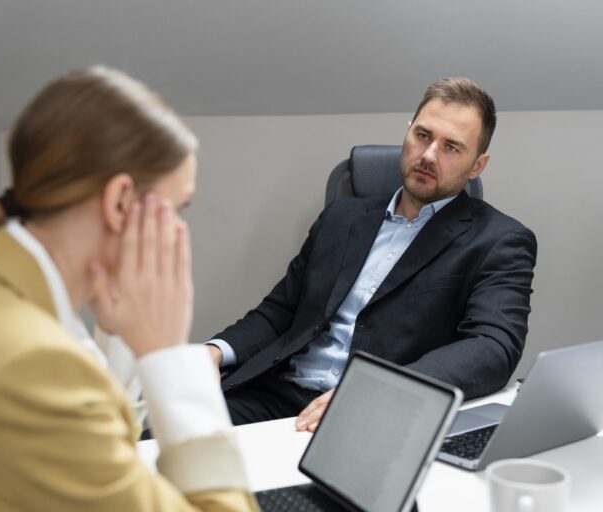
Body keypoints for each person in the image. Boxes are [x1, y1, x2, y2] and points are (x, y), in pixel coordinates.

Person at [0, 66, 256, 511]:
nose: (181, 231)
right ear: (121, 202)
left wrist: (127, 334)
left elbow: (94, 450)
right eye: (178, 209)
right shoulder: (33, 364)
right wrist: (169, 356)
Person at [206, 77, 537, 430]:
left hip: (375, 413)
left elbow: (492, 347)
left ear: (477, 166)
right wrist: (215, 351)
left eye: (451, 147)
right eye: (423, 135)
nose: (427, 156)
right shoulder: (341, 217)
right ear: (408, 132)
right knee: (159, 447)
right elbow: (280, 311)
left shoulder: (500, 240)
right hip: (276, 394)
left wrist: (375, 391)